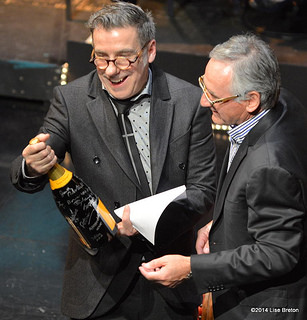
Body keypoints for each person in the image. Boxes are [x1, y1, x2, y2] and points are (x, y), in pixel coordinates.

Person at [10, 1, 216, 319]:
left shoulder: (189, 102)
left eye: (123, 58)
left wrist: (148, 222)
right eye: (101, 57)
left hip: (168, 277)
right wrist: (31, 165)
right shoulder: (71, 100)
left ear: (150, 50)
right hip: (97, 282)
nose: (110, 70)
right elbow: (26, 170)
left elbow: (204, 189)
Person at [139, 33, 307, 319]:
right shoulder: (280, 104)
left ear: (252, 100)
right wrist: (223, 223)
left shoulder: (269, 164)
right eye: (204, 85)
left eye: (216, 97)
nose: (204, 102)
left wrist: (191, 268)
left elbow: (278, 252)